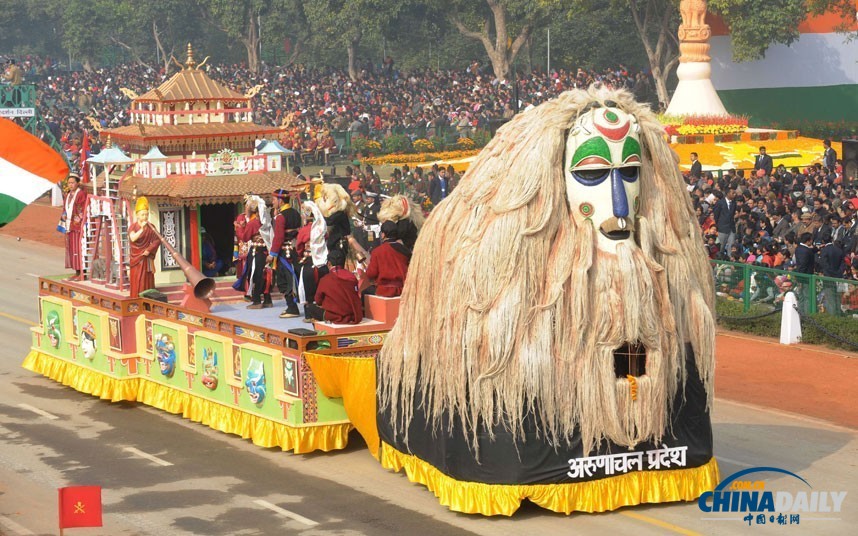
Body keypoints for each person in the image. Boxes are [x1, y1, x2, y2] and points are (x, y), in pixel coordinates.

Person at [303, 249, 363, 324]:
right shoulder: (352, 277)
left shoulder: (325, 279)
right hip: (354, 315)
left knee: (310, 307)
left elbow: (318, 300)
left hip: (334, 316)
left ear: (329, 264)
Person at [269, 189, 302, 318]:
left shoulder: (281, 217)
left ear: (280, 201)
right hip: (295, 250)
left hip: (284, 252)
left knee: (284, 279)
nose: (272, 202)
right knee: (295, 277)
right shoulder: (296, 213)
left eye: (274, 200)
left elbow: (278, 237)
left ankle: (292, 308)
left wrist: (272, 254)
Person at [235, 196, 273, 309]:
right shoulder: (268, 223)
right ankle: (267, 299)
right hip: (266, 251)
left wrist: (239, 228)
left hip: (255, 252)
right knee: (266, 274)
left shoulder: (253, 223)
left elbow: (245, 237)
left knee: (255, 275)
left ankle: (256, 300)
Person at [364, 221, 411, 297]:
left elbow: (371, 274)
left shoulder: (377, 251)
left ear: (383, 235)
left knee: (364, 292)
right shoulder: (405, 250)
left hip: (384, 290)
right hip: (403, 290)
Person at [128, 197, 161, 298]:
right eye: (142, 214)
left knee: (147, 279)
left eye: (146, 214)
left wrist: (149, 250)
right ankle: (136, 299)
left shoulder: (151, 227)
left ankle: (149, 299)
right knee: (137, 279)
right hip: (136, 259)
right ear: (137, 215)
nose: (145, 216)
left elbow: (157, 240)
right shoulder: (133, 227)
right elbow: (132, 238)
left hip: (147, 258)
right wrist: (142, 229)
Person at [62, 172, 87, 280]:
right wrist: (64, 215)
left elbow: (83, 209)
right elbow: (65, 208)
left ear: (77, 183)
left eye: (73, 183)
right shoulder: (68, 195)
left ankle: (82, 272)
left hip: (77, 227)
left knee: (79, 249)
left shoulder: (81, 194)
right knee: (72, 249)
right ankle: (77, 272)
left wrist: (77, 221)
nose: (71, 185)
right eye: (69, 183)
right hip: (70, 226)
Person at [712, 190, 737, 258]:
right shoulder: (720, 203)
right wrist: (719, 224)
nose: (734, 194)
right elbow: (716, 215)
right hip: (722, 228)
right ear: (728, 193)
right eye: (733, 193)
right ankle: (719, 260)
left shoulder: (734, 203)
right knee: (721, 246)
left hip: (731, 228)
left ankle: (730, 259)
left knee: (731, 245)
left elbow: (733, 214)